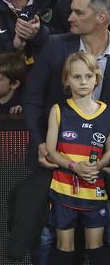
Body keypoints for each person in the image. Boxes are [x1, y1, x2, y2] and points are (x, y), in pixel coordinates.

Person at [20, 0, 110, 264]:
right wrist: (40, 145)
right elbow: (32, 100)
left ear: (101, 18)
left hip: (103, 171)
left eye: (78, 12)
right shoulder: (54, 45)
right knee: (49, 240)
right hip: (55, 167)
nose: (69, 17)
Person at [44, 51, 110, 264]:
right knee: (65, 247)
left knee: (96, 247)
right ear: (67, 80)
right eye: (77, 77)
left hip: (95, 190)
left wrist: (97, 165)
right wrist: (74, 166)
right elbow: (51, 151)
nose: (83, 82)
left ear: (96, 78)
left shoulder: (107, 113)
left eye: (88, 76)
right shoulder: (58, 111)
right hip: (64, 190)